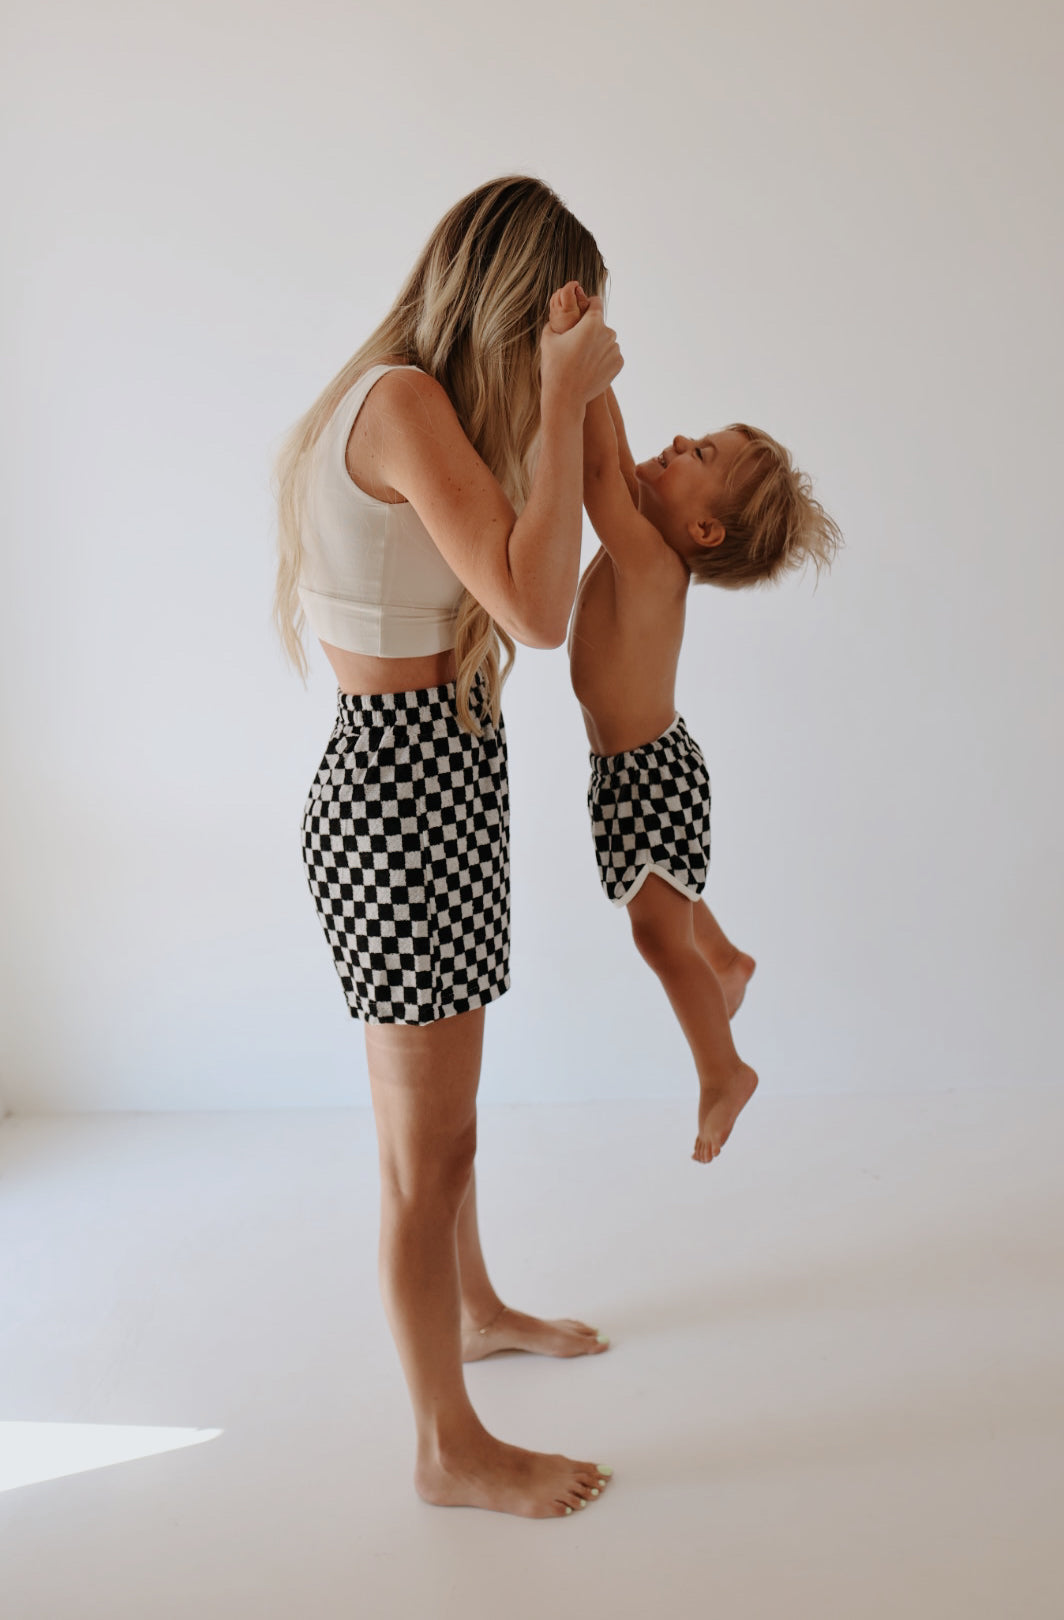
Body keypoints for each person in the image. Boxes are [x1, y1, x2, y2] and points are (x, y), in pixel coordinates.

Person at [274, 180, 622, 1519]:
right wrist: (565, 389)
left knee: (448, 1134)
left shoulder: (411, 404)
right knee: (430, 1154)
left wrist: (573, 393)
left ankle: (472, 1311)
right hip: (404, 791)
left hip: (439, 773)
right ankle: (445, 1450)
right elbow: (537, 610)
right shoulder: (406, 403)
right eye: (558, 313)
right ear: (514, 300)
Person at [552, 286, 841, 1164]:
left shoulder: (646, 557)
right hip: (640, 768)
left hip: (649, 774)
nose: (675, 444)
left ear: (705, 527)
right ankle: (728, 960)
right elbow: (618, 463)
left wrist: (586, 357)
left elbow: (603, 474)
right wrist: (588, 362)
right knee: (669, 894)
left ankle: (724, 1070)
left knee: (653, 931)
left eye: (699, 454)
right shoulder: (651, 538)